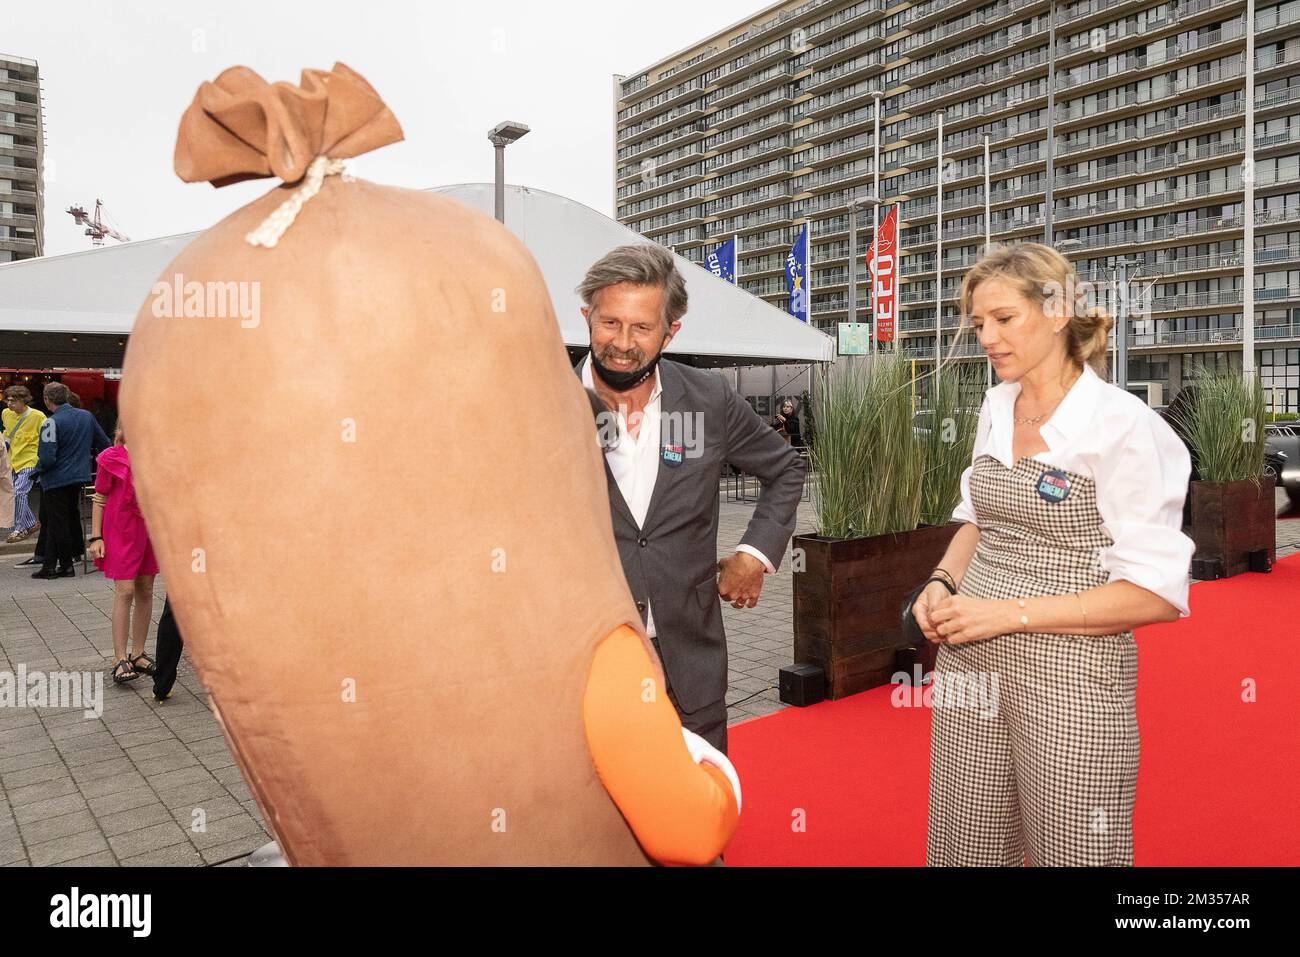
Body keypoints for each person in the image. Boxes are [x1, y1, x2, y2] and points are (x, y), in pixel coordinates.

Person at [911, 243, 1195, 866]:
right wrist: (941, 583)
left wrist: (1006, 613)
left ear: (1060, 311)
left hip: (1072, 679)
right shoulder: (995, 406)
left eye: (1003, 318)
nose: (986, 336)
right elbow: (975, 521)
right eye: (978, 323)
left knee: (1072, 848)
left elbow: (1155, 596)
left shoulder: (1126, 427)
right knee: (967, 842)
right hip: (969, 670)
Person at [576, 243, 805, 753]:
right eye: (609, 323)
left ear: (670, 331)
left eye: (642, 328)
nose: (623, 343)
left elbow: (786, 468)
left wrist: (754, 552)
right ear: (586, 315)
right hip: (584, 672)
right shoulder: (544, 400)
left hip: (691, 669)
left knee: (700, 827)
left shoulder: (708, 399)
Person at [87, 422, 159, 684]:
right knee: (125, 590)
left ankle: (138, 653)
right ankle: (119, 658)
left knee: (146, 588)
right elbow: (100, 498)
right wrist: (96, 537)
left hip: (149, 529)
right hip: (119, 530)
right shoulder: (111, 457)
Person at [31, 382, 111, 579]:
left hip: (55, 478)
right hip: (79, 476)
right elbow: (104, 443)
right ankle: (50, 565)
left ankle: (65, 566)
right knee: (61, 519)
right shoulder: (86, 416)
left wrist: (36, 471)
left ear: (47, 400)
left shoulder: (50, 422)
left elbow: (48, 458)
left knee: (57, 522)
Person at [3, 385, 46, 542]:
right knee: (14, 494)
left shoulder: (38, 416)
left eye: (13, 401)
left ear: (23, 401)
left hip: (31, 459)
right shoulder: (6, 414)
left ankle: (20, 529)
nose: (9, 404)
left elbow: (46, 438)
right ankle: (32, 523)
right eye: (7, 400)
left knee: (19, 492)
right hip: (13, 460)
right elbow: (7, 434)